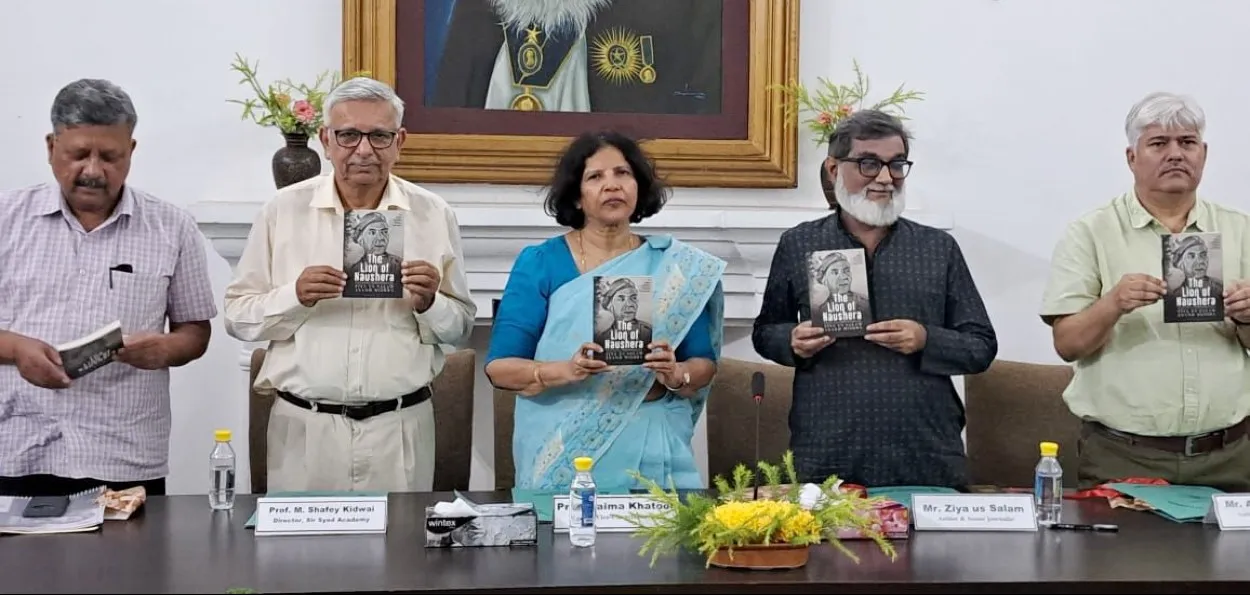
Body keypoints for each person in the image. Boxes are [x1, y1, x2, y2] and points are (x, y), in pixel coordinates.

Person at [223, 77, 476, 493]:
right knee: (301, 539)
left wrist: (430, 303)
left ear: (399, 141)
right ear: (326, 140)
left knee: (400, 538)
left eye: (379, 136)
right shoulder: (283, 211)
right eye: (348, 135)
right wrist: (294, 296)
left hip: (400, 429)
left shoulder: (433, 214)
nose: (363, 150)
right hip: (304, 429)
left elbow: (461, 326)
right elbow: (237, 317)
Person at [752, 109, 997, 489]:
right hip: (826, 449)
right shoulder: (799, 243)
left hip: (925, 448)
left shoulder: (938, 248)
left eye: (896, 165)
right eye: (869, 164)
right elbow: (765, 331)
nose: (885, 178)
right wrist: (792, 340)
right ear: (833, 169)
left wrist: (925, 338)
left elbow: (981, 346)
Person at [0, 79, 217, 497]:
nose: (94, 171)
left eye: (110, 156)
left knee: (133, 545)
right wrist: (15, 349)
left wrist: (165, 349)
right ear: (51, 147)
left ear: (131, 151)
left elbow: (195, 331)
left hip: (123, 454)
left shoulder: (172, 227)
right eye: (79, 154)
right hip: (15, 448)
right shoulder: (6, 219)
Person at [484, 130, 726, 491]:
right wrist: (566, 370)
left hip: (652, 441)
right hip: (563, 447)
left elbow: (703, 364)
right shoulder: (540, 262)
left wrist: (676, 373)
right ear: (577, 196)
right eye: (595, 177)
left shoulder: (676, 268)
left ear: (638, 187)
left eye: (622, 173)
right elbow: (500, 368)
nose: (612, 185)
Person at [1040, 91, 1250, 491]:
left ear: (1204, 153)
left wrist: (1246, 317)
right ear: (1131, 157)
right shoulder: (1090, 232)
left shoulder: (1242, 229)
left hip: (1231, 454)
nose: (1176, 154)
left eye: (1187, 142)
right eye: (1158, 143)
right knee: (1122, 539)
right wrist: (1113, 303)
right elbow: (1067, 344)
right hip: (1124, 455)